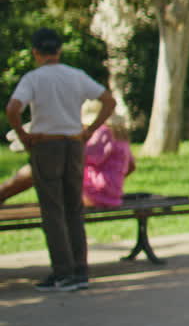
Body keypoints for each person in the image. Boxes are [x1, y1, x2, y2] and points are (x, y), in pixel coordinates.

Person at [5, 28, 116, 292]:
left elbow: (12, 108)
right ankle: (80, 269)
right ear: (59, 50)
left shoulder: (34, 78)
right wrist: (90, 130)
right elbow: (108, 100)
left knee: (52, 209)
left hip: (46, 144)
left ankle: (62, 271)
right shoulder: (75, 75)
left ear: (35, 52)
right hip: (74, 143)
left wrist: (23, 134)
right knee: (73, 207)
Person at [1, 107, 135, 208]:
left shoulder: (103, 131)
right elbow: (131, 167)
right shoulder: (120, 136)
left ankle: (2, 193)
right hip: (111, 196)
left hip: (94, 195)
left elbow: (82, 155)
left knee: (36, 170)